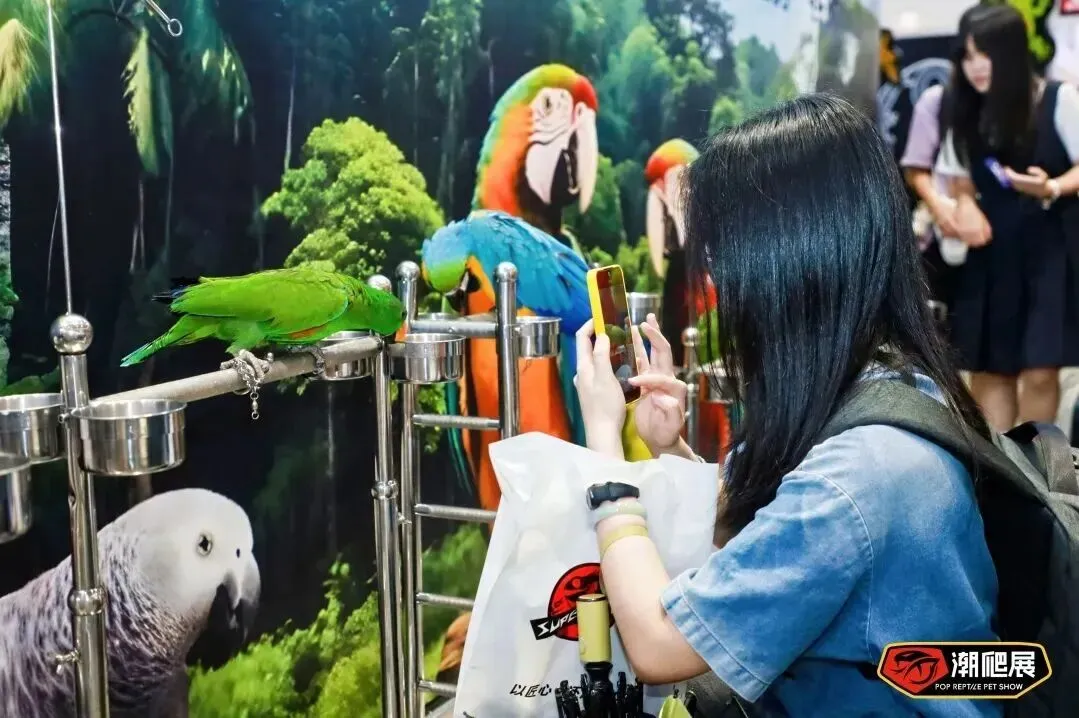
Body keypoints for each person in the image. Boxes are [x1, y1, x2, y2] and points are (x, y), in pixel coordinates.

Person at [574, 94, 1000, 716]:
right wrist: (669, 444)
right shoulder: (892, 383)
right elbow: (760, 533)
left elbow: (659, 645)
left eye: (727, 264)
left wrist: (606, 457)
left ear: (783, 269)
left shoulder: (857, 477)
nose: (724, 287)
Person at [936, 4, 1079, 431]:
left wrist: (1051, 187)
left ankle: (1038, 465)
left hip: (1049, 251)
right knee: (993, 369)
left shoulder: (1057, 99)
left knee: (1040, 368)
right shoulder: (963, 110)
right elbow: (958, 178)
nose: (976, 66)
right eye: (967, 56)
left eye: (985, 53)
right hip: (992, 254)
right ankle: (997, 464)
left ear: (1012, 53)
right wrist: (964, 203)